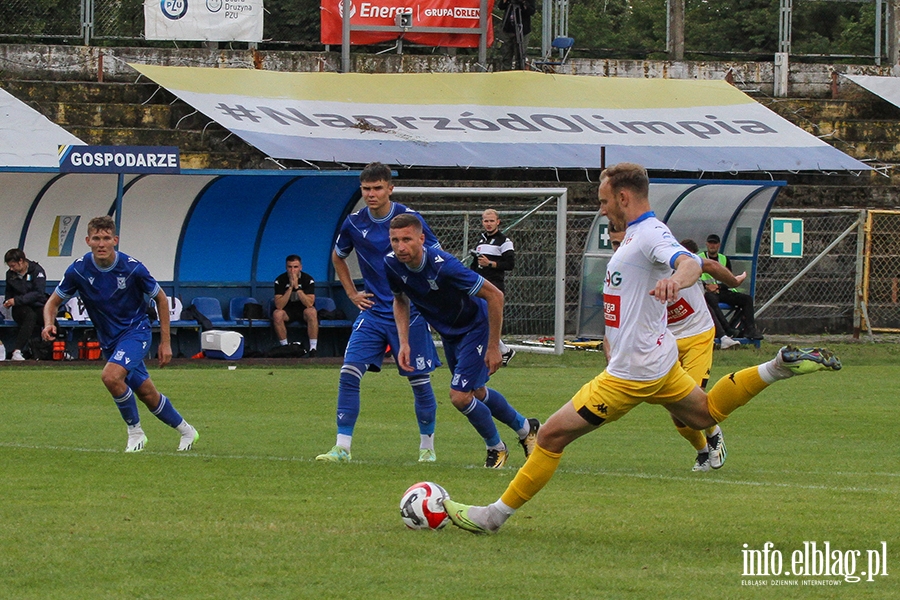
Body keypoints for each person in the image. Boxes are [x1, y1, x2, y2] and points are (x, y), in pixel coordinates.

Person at [442, 163, 841, 534]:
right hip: (659, 363)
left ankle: (492, 517)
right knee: (704, 414)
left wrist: (679, 280)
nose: (601, 210)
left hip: (631, 376)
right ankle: (778, 367)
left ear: (624, 198)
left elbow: (688, 262)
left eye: (602, 201)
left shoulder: (650, 233)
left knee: (548, 438)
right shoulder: (634, 236)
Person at [387, 213, 539, 468]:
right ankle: (527, 429)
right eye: (394, 240)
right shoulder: (391, 264)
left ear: (421, 239)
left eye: (407, 239)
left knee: (459, 396)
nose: (400, 247)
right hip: (449, 332)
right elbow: (400, 299)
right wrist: (404, 342)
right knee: (476, 391)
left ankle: (496, 448)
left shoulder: (443, 266)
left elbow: (496, 296)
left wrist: (493, 346)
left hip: (475, 326)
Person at [316, 162, 442, 464]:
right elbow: (338, 257)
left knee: (418, 380)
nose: (371, 194)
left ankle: (427, 447)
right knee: (349, 372)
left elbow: (436, 257)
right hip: (373, 312)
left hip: (408, 313)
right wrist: (351, 293)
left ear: (389, 189)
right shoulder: (354, 223)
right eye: (366, 189)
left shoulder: (409, 220)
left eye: (377, 188)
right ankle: (342, 447)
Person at [41, 216, 198, 453]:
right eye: (96, 238)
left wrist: (165, 343)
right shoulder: (78, 270)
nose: (101, 243)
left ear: (115, 240)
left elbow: (161, 299)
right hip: (110, 341)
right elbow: (52, 302)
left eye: (106, 238)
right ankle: (187, 431)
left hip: (136, 332)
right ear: (88, 241)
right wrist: (48, 324)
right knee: (147, 393)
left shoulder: (132, 267)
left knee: (111, 377)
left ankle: (135, 433)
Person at [610, 230, 743, 472]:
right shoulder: (623, 274)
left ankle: (713, 431)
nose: (619, 250)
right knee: (676, 410)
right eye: (614, 244)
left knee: (692, 399)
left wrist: (733, 282)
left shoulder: (670, 256)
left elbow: (709, 265)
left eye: (623, 243)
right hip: (666, 342)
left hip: (697, 336)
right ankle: (702, 451)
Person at [471, 208, 516, 366]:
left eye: (491, 221)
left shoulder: (504, 241)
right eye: (485, 221)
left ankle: (502, 350)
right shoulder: (481, 241)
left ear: (498, 222)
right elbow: (475, 264)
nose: (488, 224)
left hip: (494, 286)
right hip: (479, 285)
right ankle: (501, 350)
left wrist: (490, 263)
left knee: (489, 319)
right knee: (480, 319)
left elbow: (510, 264)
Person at [680, 239, 741, 351]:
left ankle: (723, 336)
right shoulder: (676, 266)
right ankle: (722, 336)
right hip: (683, 302)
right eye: (689, 254)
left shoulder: (695, 265)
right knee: (705, 307)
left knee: (707, 306)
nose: (691, 257)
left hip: (700, 299)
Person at [701, 234, 762, 340]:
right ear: (706, 244)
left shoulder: (724, 259)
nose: (712, 245)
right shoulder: (700, 258)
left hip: (722, 291)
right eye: (710, 243)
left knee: (746, 299)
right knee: (711, 301)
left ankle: (750, 330)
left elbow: (728, 279)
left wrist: (718, 287)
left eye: (715, 243)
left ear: (719, 245)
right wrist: (706, 286)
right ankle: (727, 330)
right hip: (706, 292)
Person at [4, 249, 49, 361]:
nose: (11, 269)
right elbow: (8, 292)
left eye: (13, 265)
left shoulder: (37, 271)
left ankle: (56, 349)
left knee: (48, 317)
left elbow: (39, 293)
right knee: (30, 316)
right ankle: (17, 351)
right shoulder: (10, 274)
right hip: (20, 308)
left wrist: (17, 300)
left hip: (35, 304)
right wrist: (8, 301)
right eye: (10, 266)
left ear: (21, 261)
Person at [272, 254, 318, 357]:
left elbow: (309, 303)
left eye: (295, 267)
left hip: (303, 309)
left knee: (311, 311)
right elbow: (279, 305)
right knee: (277, 314)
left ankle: (313, 348)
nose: (292, 270)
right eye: (290, 267)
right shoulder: (280, 280)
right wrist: (290, 288)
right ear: (286, 267)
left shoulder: (307, 279)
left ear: (300, 267)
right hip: (288, 310)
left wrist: (297, 287)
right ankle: (285, 348)